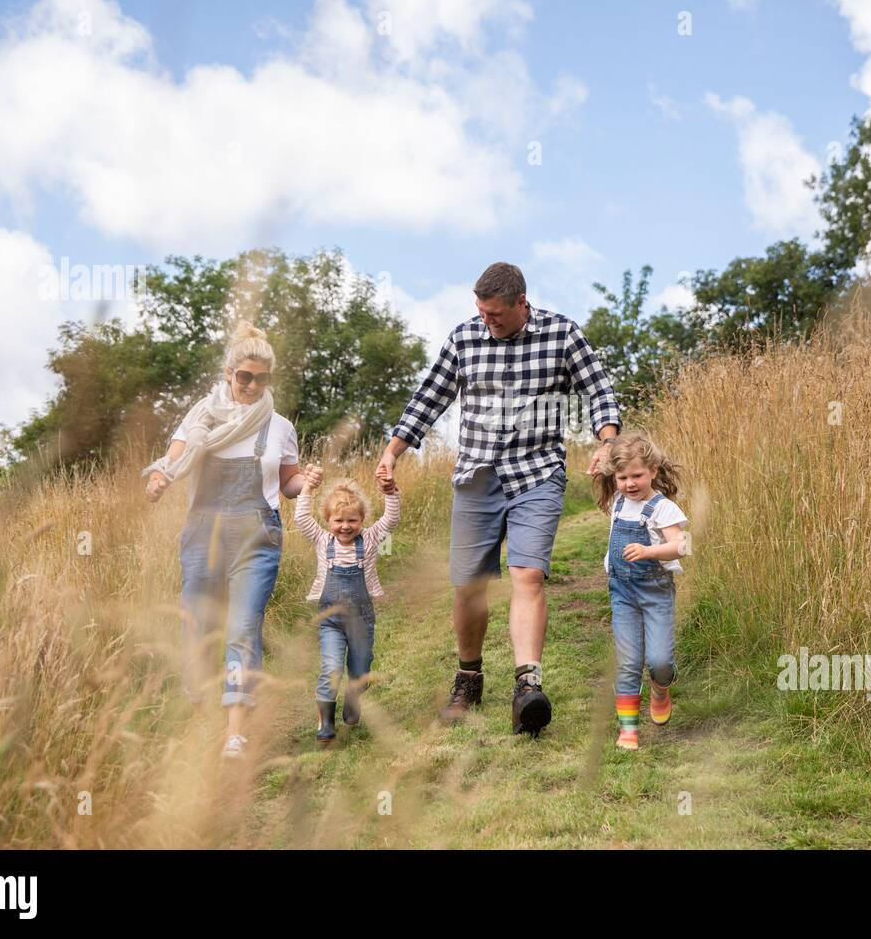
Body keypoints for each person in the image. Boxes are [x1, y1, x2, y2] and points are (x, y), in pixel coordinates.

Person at [375, 261, 621, 737]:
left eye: (497, 316)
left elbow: (598, 389)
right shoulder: (464, 339)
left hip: (537, 472)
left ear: (521, 304)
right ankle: (469, 677)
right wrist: (392, 453)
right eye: (482, 313)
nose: (488, 322)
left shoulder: (562, 334)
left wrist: (607, 442)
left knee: (528, 575)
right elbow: (429, 399)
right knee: (468, 585)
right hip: (476, 476)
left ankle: (528, 686)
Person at [143, 321, 302, 760]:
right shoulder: (200, 416)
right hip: (202, 532)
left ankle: (235, 730)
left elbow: (287, 482)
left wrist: (306, 483)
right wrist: (160, 478)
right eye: (243, 377)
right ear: (229, 374)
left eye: (261, 379)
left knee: (242, 628)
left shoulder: (279, 426)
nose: (251, 386)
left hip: (257, 533)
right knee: (197, 627)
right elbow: (174, 457)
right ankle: (200, 719)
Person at [593, 433, 689, 750]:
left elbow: (679, 546)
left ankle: (661, 687)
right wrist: (600, 462)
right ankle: (628, 730)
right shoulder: (617, 501)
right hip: (622, 593)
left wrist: (649, 552)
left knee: (660, 660)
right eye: (622, 477)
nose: (630, 483)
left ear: (654, 471)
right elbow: (606, 478)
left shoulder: (663, 508)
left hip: (656, 592)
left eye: (637, 475)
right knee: (628, 660)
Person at [294, 465, 401, 743]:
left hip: (362, 619)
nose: (345, 526)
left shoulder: (371, 538)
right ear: (328, 520)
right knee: (331, 669)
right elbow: (302, 517)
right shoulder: (321, 540)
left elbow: (391, 519)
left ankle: (353, 697)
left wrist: (390, 492)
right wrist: (307, 488)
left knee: (361, 670)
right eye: (338, 520)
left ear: (362, 519)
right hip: (330, 620)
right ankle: (325, 724)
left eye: (352, 520)